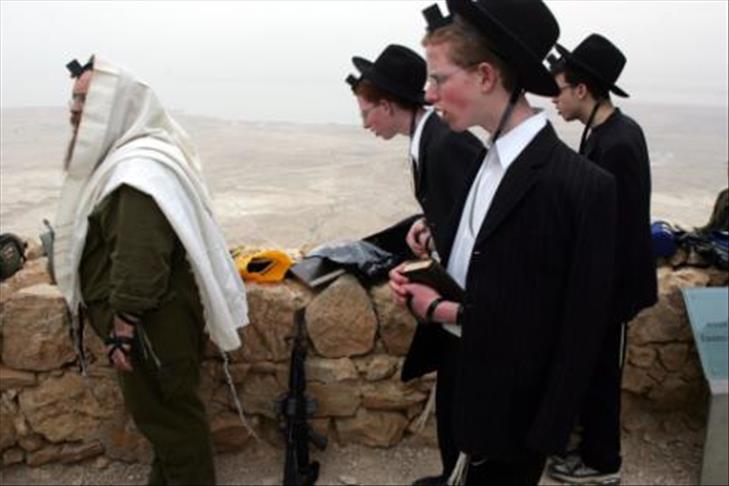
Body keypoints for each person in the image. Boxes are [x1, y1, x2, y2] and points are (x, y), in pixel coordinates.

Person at [389, 1, 618, 483]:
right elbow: (490, 262)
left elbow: (573, 329)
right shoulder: (484, 162)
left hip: (515, 416)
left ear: (485, 77)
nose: (428, 95)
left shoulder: (580, 188)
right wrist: (427, 272)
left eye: (439, 79)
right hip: (462, 379)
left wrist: (439, 310)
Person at [53, 56, 249, 485]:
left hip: (149, 327)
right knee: (165, 424)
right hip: (156, 322)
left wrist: (122, 328)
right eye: (74, 99)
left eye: (86, 100)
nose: (74, 109)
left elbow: (140, 259)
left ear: (114, 107)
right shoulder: (130, 161)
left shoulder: (135, 173)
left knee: (174, 427)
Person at [347, 44, 484, 486]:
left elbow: (484, 219)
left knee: (464, 398)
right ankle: (451, 475)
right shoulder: (430, 139)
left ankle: (460, 477)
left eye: (367, 112)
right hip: (459, 290)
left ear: (388, 106)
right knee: (452, 392)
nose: (365, 123)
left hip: (473, 298)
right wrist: (429, 225)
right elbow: (458, 209)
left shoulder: (445, 143)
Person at [547, 34, 658, 485]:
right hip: (600, 284)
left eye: (558, 89)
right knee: (592, 370)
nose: (553, 99)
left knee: (603, 375)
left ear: (581, 90)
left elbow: (620, 229)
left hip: (613, 288)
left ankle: (603, 464)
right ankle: (588, 448)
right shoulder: (606, 133)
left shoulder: (618, 144)